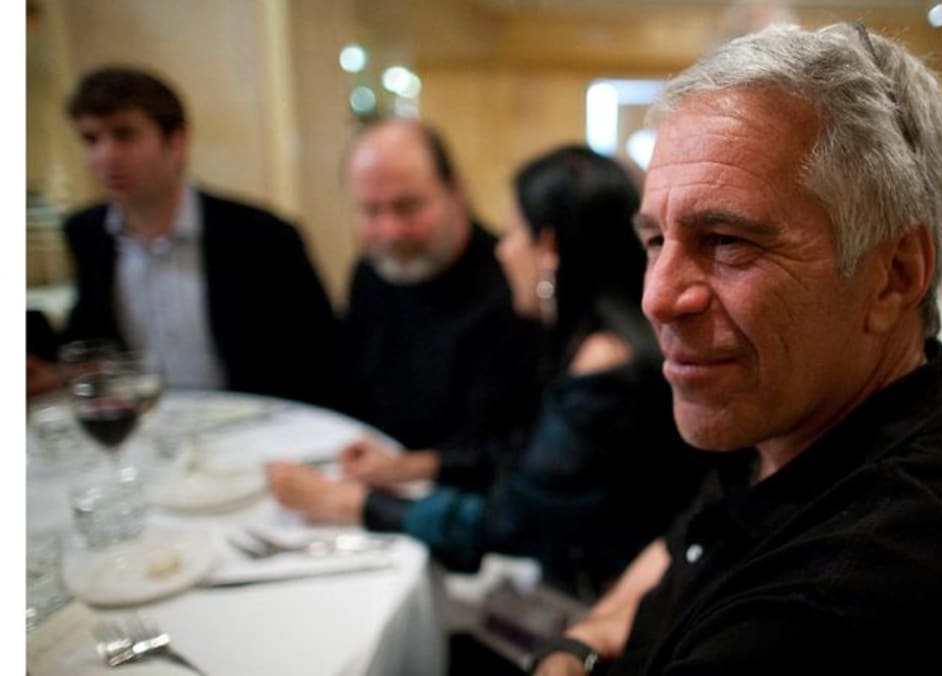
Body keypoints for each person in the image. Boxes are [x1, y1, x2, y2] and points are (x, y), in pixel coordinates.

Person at [530, 23, 942, 675]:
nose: (657, 298)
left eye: (727, 240)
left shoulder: (834, 607)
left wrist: (562, 653)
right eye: (655, 241)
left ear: (894, 275)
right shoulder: (796, 420)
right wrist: (585, 640)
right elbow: (684, 544)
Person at [269, 145, 706, 598]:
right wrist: (407, 467)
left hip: (607, 595)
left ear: (548, 248)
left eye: (513, 233)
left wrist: (354, 503)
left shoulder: (605, 361)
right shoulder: (596, 337)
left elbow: (515, 521)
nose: (503, 250)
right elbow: (531, 459)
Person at [56, 66, 339, 406]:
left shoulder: (262, 236)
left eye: (124, 135)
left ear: (176, 142)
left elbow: (321, 359)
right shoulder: (85, 233)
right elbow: (87, 340)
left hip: (248, 422)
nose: (105, 156)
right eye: (91, 139)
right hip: (140, 421)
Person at [336, 119, 543, 487]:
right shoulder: (368, 273)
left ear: (455, 192)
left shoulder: (512, 288)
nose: (389, 231)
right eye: (370, 211)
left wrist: (407, 467)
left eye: (407, 207)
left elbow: (514, 448)